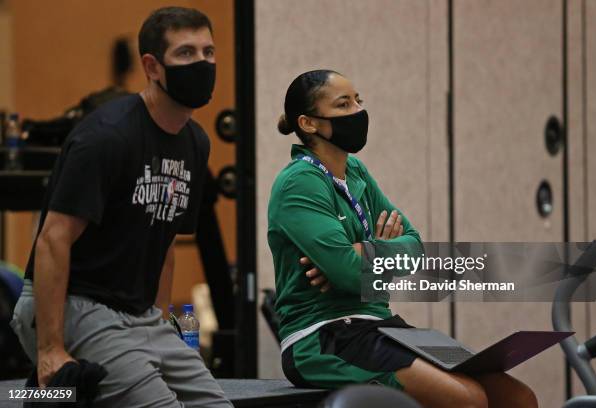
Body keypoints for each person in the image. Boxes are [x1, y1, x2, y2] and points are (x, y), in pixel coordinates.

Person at [268, 69, 538, 408]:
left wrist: (363, 253)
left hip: (381, 323)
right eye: (343, 104)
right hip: (325, 335)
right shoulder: (299, 183)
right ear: (309, 123)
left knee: (517, 397)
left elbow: (414, 246)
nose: (357, 111)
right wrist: (357, 263)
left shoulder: (356, 173)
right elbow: (351, 273)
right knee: (468, 400)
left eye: (358, 101)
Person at [10, 7, 232, 408]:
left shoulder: (196, 143)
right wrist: (50, 350)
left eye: (209, 52)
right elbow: (52, 240)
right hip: (74, 301)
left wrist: (162, 326)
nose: (202, 63)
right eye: (186, 54)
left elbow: (164, 243)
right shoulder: (106, 137)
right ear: (152, 66)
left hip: (138, 314)